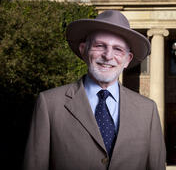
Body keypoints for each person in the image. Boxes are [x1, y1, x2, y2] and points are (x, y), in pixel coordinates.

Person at [23, 10, 166, 170]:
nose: (108, 56)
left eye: (118, 49)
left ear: (128, 59)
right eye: (100, 46)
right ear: (83, 49)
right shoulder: (49, 104)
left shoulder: (148, 110)